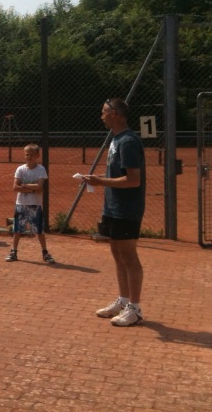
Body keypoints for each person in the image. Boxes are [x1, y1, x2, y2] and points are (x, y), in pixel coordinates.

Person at [83, 97, 146, 327]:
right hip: (112, 207)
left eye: (104, 112)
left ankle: (135, 309)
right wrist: (97, 179)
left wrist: (100, 182)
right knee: (118, 255)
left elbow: (133, 180)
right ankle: (123, 301)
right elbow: (116, 174)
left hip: (126, 209)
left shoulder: (128, 142)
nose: (101, 116)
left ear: (115, 114)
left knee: (129, 257)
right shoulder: (116, 139)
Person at [5, 144, 55, 264]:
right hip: (21, 204)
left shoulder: (41, 169)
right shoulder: (20, 169)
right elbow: (15, 187)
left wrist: (24, 186)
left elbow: (40, 186)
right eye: (27, 154)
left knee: (39, 230)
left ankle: (45, 253)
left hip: (35, 204)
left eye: (32, 155)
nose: (29, 157)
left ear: (37, 156)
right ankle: (13, 251)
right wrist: (33, 189)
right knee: (17, 229)